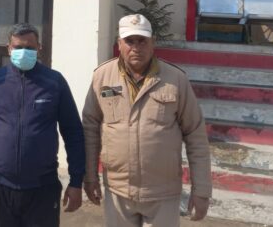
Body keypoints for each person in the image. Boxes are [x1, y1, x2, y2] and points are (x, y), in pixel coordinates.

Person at [82, 14, 212, 227]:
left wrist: (202, 190)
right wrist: (90, 177)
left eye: (142, 41)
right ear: (119, 44)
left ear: (153, 43)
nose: (136, 47)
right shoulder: (102, 77)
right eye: (129, 41)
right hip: (118, 190)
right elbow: (90, 128)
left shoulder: (176, 79)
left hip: (163, 193)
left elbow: (195, 135)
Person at [0, 23, 85, 227]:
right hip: (0, 186)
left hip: (42, 187)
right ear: (9, 49)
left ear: (39, 48)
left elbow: (73, 133)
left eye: (29, 48)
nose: (24, 52)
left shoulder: (54, 82)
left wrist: (76, 181)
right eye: (18, 47)